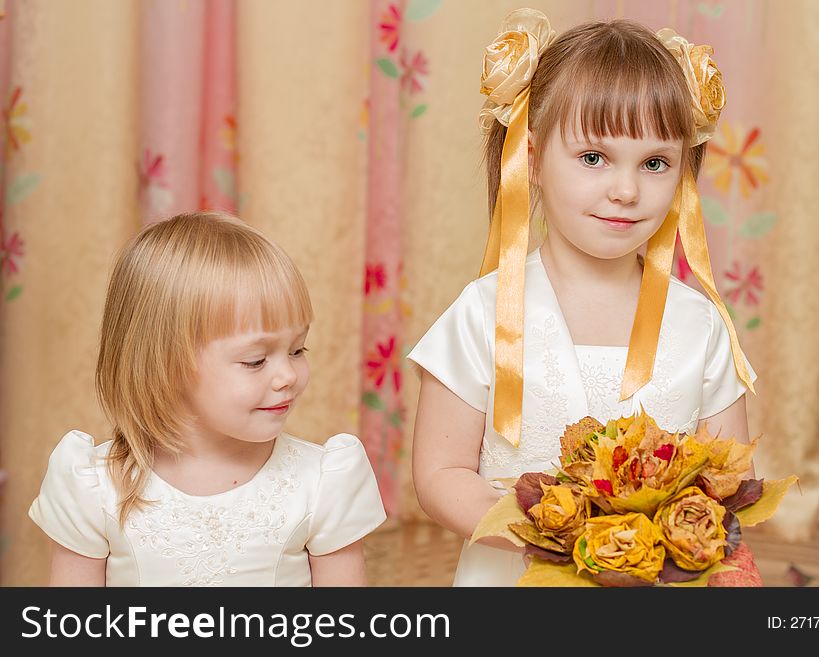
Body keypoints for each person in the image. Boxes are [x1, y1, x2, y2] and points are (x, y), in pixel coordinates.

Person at [408, 9, 761, 586]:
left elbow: (729, 475)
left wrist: (678, 540)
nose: (624, 190)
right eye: (593, 158)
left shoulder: (700, 326)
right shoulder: (481, 315)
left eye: (654, 163)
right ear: (535, 157)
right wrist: (555, 540)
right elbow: (440, 473)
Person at [29, 211, 386, 586]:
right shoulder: (95, 486)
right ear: (165, 363)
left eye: (298, 350)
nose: (288, 376)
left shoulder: (321, 482)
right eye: (256, 360)